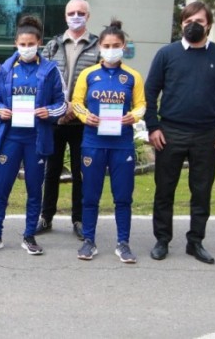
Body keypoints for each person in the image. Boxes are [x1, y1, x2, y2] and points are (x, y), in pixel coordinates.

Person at [145, 1, 215, 264]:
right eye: (188, 21)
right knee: (164, 190)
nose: (193, 25)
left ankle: (195, 242)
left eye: (198, 21)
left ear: (208, 24)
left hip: (207, 135)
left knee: (201, 192)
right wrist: (153, 127)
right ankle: (162, 240)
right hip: (170, 132)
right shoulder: (167, 54)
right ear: (181, 24)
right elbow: (150, 92)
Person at [0, 16, 66, 254]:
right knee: (1, 188)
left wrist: (48, 111)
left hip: (36, 139)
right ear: (16, 43)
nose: (26, 48)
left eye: (31, 43)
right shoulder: (6, 69)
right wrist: (1, 111)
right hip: (11, 138)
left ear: (39, 42)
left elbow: (62, 104)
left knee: (34, 189)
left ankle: (29, 235)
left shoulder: (49, 70)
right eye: (22, 44)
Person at [70, 20, 145, 263]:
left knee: (123, 197)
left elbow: (142, 105)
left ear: (124, 46)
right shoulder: (88, 74)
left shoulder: (132, 77)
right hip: (93, 142)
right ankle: (89, 241)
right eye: (107, 45)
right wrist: (84, 116)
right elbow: (76, 101)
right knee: (90, 196)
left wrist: (132, 116)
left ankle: (123, 243)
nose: (111, 49)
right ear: (100, 47)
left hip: (121, 144)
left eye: (116, 45)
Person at [37, 0, 100, 240]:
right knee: (50, 171)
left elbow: (101, 82)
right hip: (54, 121)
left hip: (82, 123)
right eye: (71, 12)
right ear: (65, 16)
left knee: (80, 173)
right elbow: (42, 79)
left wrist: (76, 108)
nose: (76, 16)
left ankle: (79, 220)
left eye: (80, 12)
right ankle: (46, 217)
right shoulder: (52, 46)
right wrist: (57, 109)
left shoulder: (96, 47)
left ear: (88, 16)